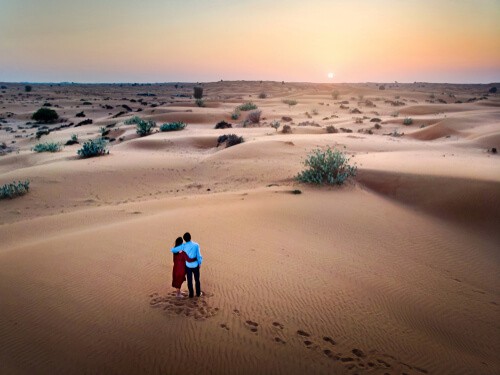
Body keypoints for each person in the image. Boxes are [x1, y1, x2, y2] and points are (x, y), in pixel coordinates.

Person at [171, 232, 203, 298]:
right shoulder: (196, 245)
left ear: (184, 240)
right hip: (195, 265)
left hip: (188, 266)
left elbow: (173, 250)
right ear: (190, 237)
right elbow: (198, 256)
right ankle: (198, 294)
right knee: (197, 280)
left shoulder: (183, 246)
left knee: (189, 281)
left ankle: (191, 295)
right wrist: (199, 263)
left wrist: (177, 250)